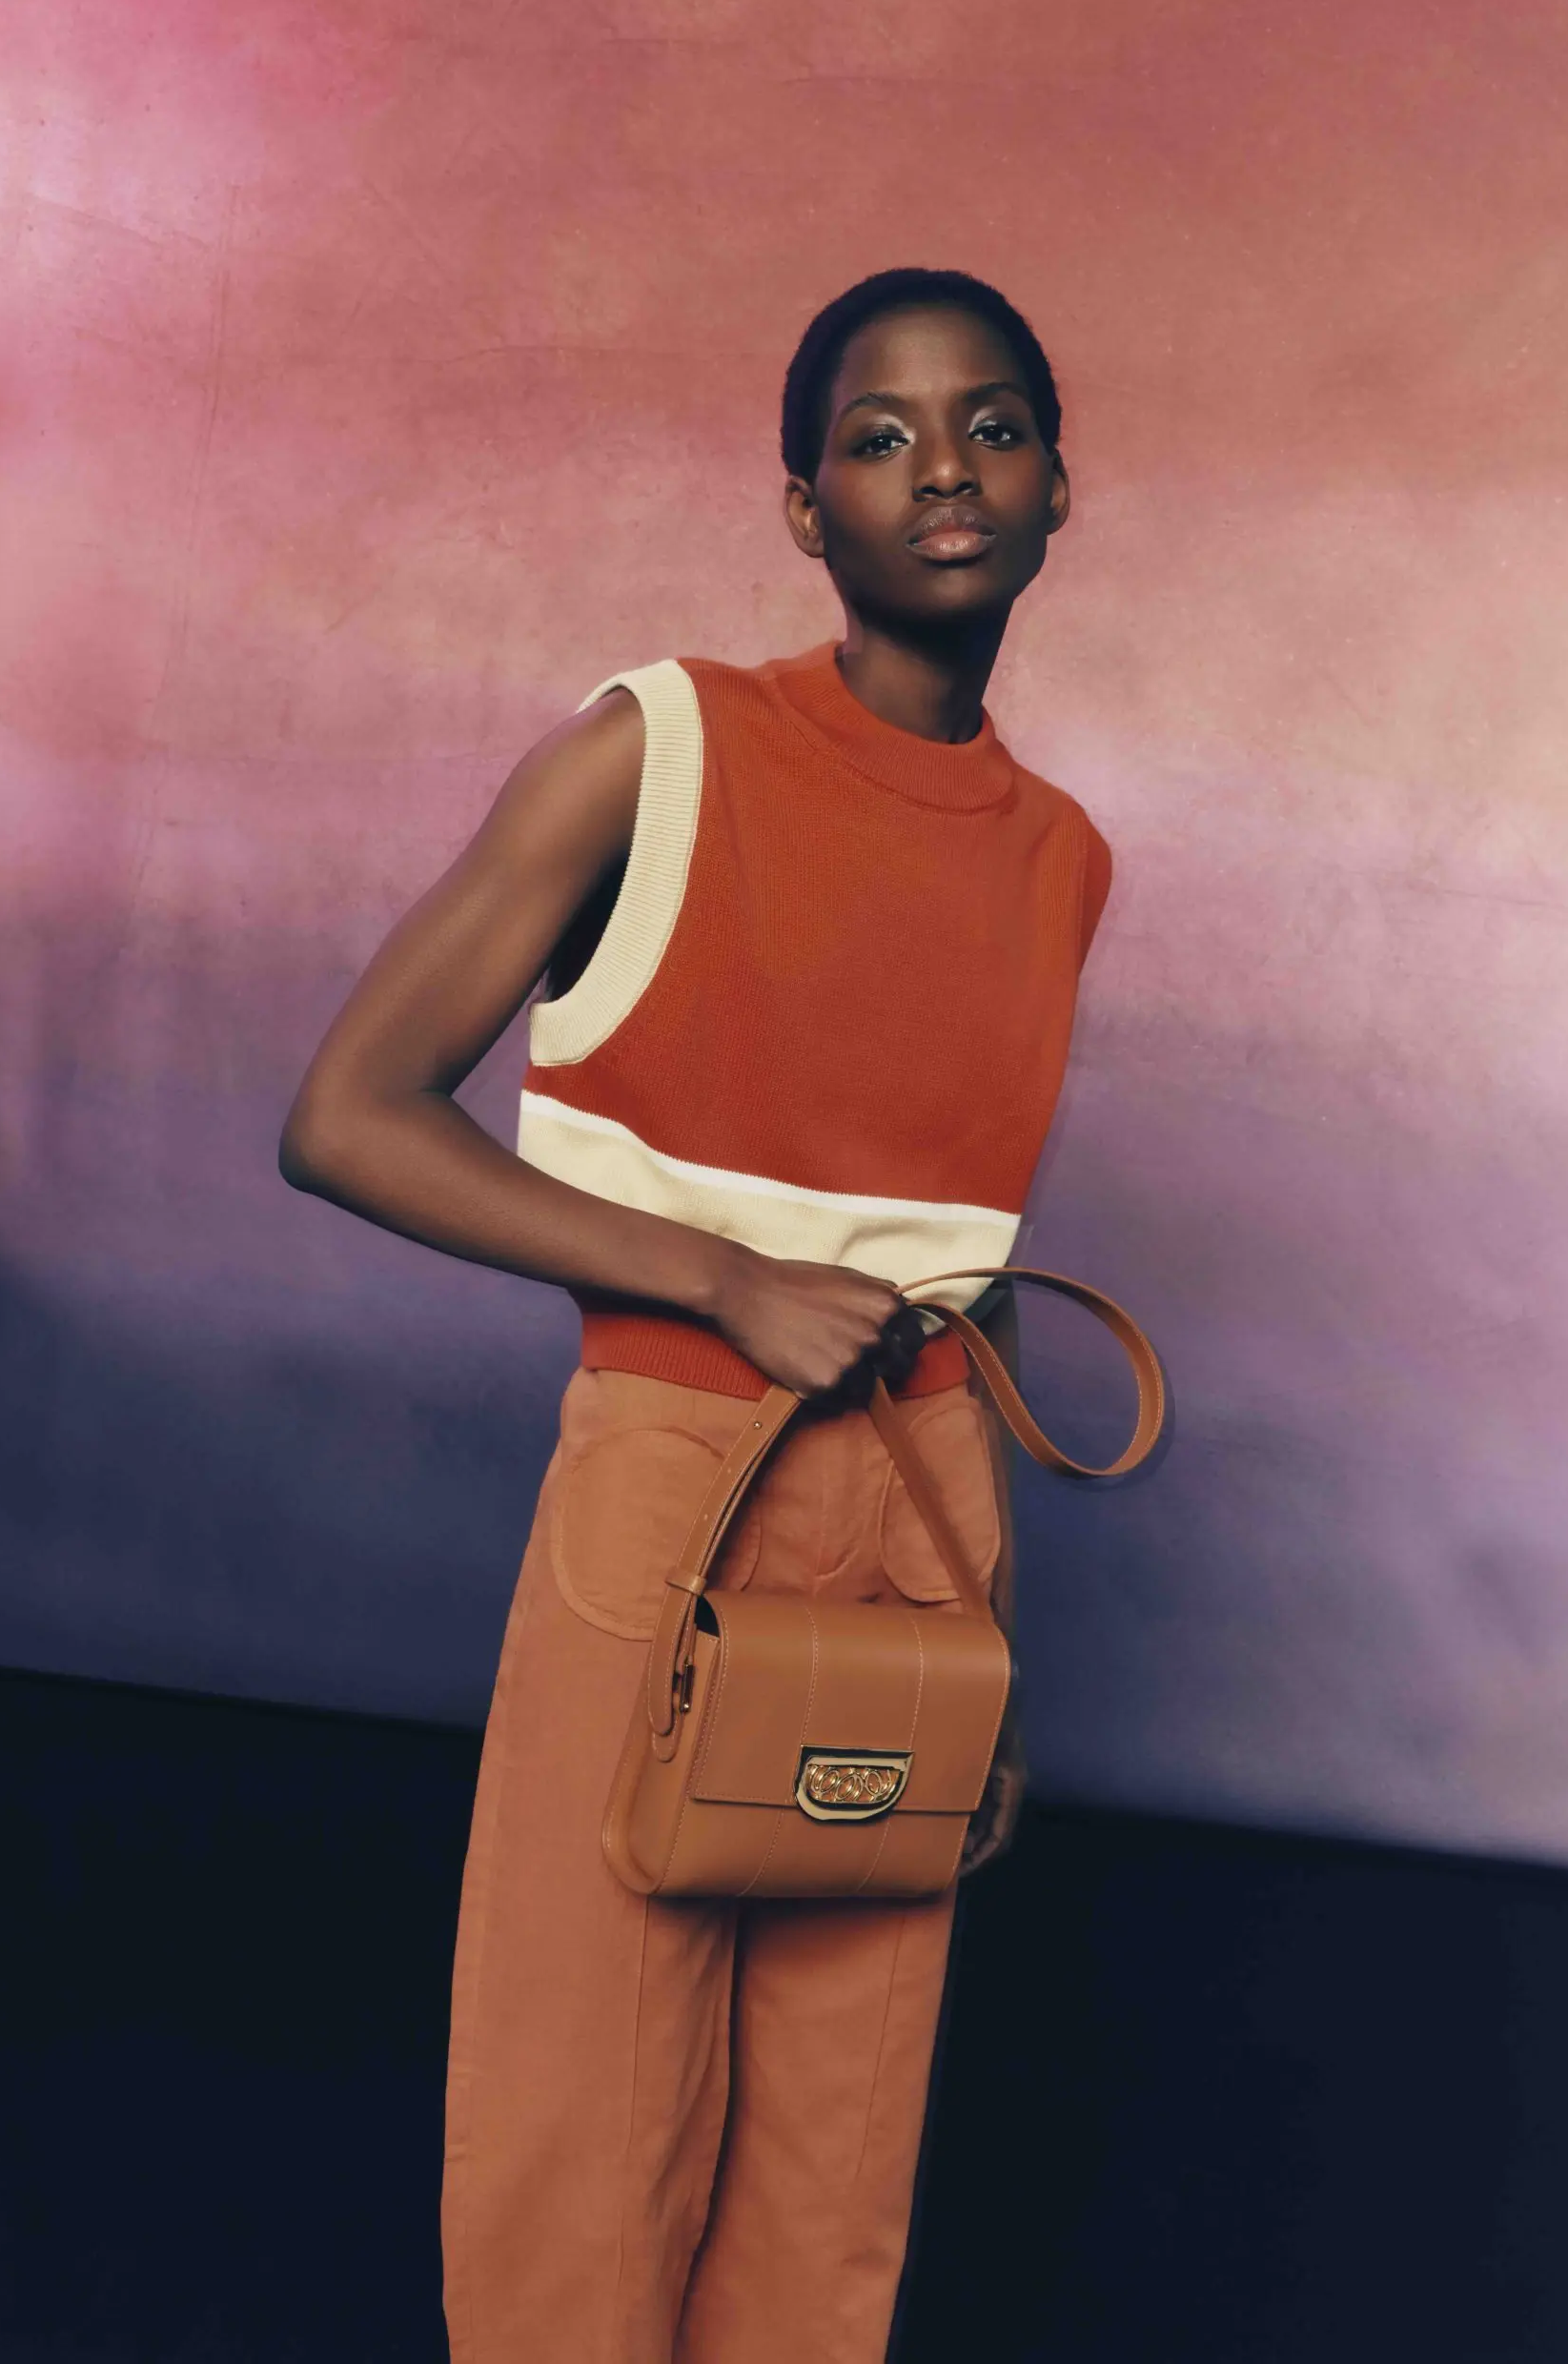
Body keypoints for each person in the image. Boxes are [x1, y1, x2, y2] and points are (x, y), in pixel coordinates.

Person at [279, 266, 1111, 2364]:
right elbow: (346, 1115)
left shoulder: (1062, 859)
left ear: (1056, 486)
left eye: (992, 426)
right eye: (879, 435)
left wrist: (994, 1646)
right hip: (676, 1469)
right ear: (804, 509)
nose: (944, 468)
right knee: (591, 2102)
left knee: (841, 2139)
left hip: (928, 1498)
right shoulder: (658, 746)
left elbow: (961, 1255)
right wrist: (724, 1280)